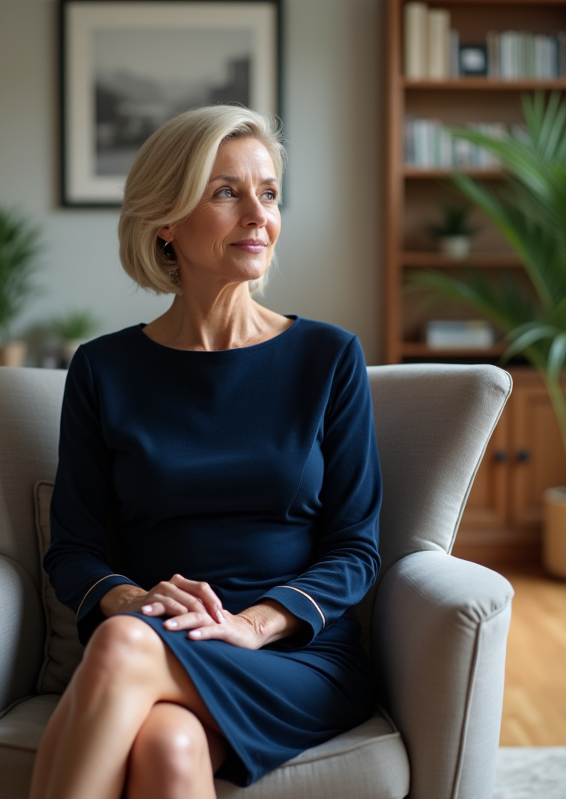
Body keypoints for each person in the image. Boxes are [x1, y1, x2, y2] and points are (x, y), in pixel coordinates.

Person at [34, 105, 382, 799]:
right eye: (226, 192)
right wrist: (139, 601)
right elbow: (72, 549)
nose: (258, 214)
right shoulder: (104, 369)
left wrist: (253, 625)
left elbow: (356, 548)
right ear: (165, 220)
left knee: (122, 644)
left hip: (295, 655)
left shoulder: (329, 357)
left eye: (269, 192)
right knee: (169, 744)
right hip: (157, 636)